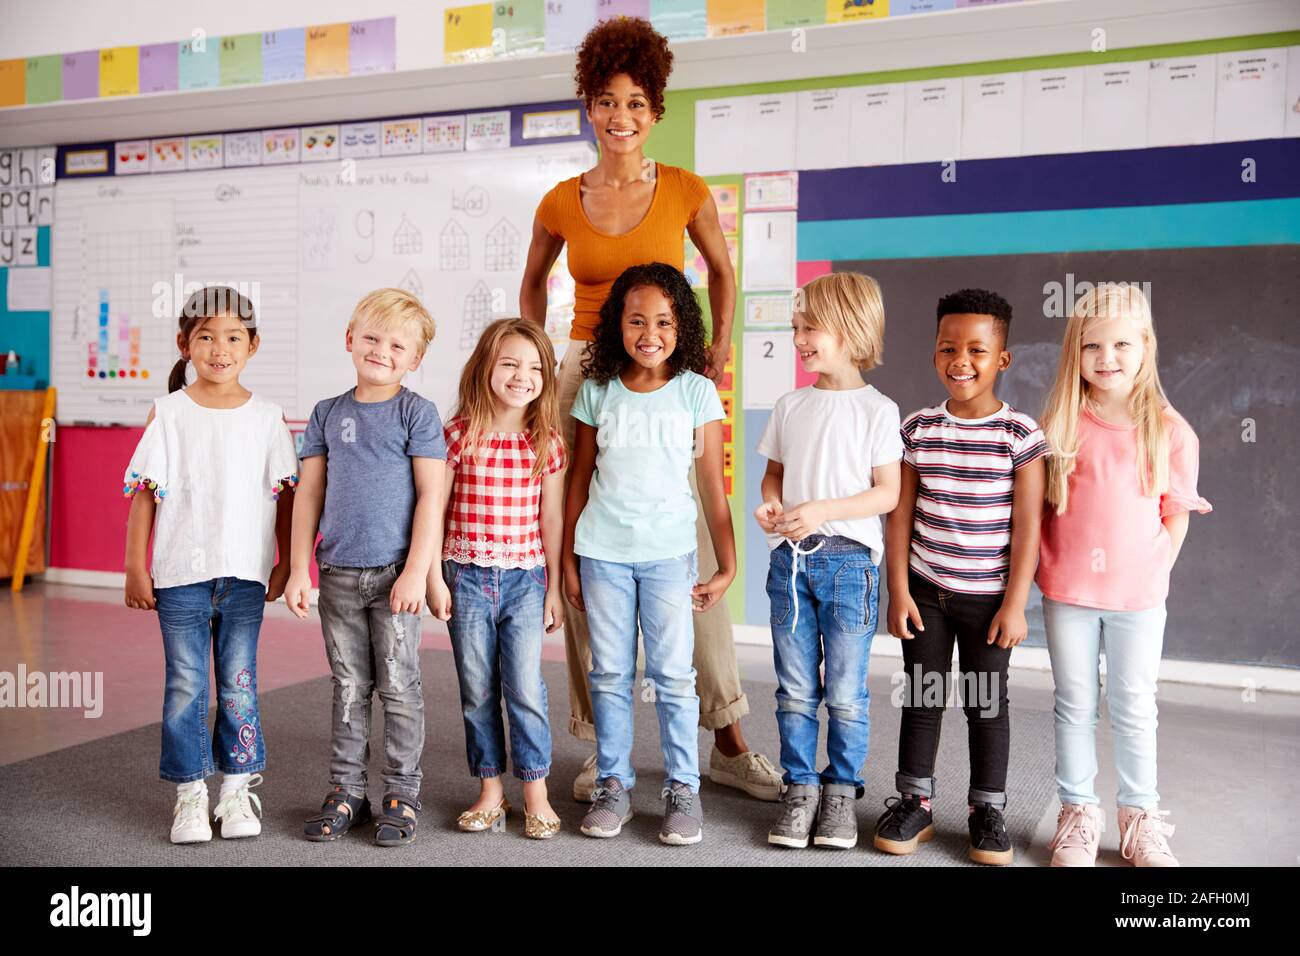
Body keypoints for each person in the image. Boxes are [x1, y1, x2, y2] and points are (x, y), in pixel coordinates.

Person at [519, 16, 779, 803]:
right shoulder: (563, 200)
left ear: (655, 109)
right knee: (577, 548)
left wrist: (718, 352)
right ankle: (605, 748)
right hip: (581, 373)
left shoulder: (686, 190)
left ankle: (727, 735)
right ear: (588, 109)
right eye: (605, 101)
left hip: (668, 373)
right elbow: (533, 284)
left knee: (686, 548)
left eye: (636, 101)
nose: (620, 116)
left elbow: (725, 275)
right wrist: (537, 360)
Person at [1037, 283, 1210, 867]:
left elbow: (1175, 513)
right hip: (1068, 592)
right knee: (1075, 702)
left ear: (1145, 347)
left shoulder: (1170, 430)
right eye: (1092, 346)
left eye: (1120, 345)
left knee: (1135, 704)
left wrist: (1155, 570)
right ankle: (1078, 814)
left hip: (1138, 597)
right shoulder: (1060, 423)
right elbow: (1039, 507)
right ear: (1075, 351)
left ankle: (1139, 819)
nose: (1106, 358)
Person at [564, 263, 735, 845]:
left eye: (664, 320)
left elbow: (713, 485)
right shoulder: (595, 392)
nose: (650, 332)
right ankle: (614, 783)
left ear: (682, 327)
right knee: (609, 673)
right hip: (602, 554)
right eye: (637, 320)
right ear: (618, 325)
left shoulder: (697, 392)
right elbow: (579, 480)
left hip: (668, 557)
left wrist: (728, 563)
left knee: (672, 675)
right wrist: (567, 560)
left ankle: (682, 789)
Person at [876, 289, 1047, 865]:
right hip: (927, 590)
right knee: (923, 698)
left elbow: (1027, 528)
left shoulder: (1019, 436)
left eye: (977, 349)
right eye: (948, 347)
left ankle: (986, 811)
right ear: (934, 354)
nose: (961, 360)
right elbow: (898, 515)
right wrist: (898, 588)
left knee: (986, 703)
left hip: (989, 600)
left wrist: (1016, 604)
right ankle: (914, 804)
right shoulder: (918, 429)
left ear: (1003, 359)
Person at [123, 286, 297, 844]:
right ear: (184, 344)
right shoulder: (169, 414)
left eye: (232, 338)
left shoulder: (269, 418)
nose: (219, 349)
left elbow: (287, 495)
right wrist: (134, 566)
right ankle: (191, 794)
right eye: (205, 337)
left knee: (240, 683)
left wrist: (289, 563)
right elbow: (146, 493)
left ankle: (236, 789)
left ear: (252, 345)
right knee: (187, 685)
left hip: (244, 574)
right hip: (179, 576)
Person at [285, 289, 447, 847]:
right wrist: (299, 569)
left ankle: (401, 792)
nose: (382, 350)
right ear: (349, 339)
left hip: (394, 577)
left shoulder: (416, 413)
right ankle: (347, 790)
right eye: (371, 337)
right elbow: (309, 493)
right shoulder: (328, 414)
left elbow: (431, 497)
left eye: (397, 344)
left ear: (415, 359)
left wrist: (417, 571)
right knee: (350, 687)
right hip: (337, 575)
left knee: (399, 687)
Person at [754, 272, 902, 850]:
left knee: (845, 692)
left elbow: (886, 494)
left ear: (850, 328)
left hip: (850, 568)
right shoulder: (792, 405)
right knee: (794, 689)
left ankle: (840, 790)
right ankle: (800, 787)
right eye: (796, 328)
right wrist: (772, 507)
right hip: (789, 564)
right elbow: (774, 478)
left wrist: (822, 511)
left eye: (809, 327)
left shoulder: (877, 410)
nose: (799, 339)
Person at [429, 319, 567, 839]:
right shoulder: (458, 434)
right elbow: (436, 508)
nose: (521, 375)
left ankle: (536, 789)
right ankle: (490, 789)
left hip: (526, 581)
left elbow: (551, 519)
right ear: (486, 366)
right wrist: (432, 578)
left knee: (526, 686)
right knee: (477, 689)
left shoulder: (546, 441)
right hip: (464, 574)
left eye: (534, 367)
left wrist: (553, 586)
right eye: (509, 362)